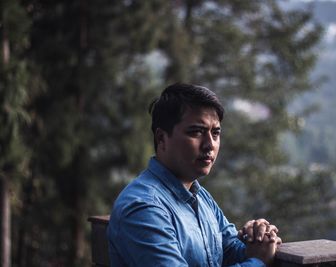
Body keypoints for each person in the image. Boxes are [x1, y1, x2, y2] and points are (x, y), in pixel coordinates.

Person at [107, 83, 282, 266]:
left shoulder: (199, 196)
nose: (210, 144)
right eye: (196, 132)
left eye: (215, 133)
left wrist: (259, 238)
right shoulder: (143, 208)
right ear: (161, 138)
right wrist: (257, 263)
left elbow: (229, 249)